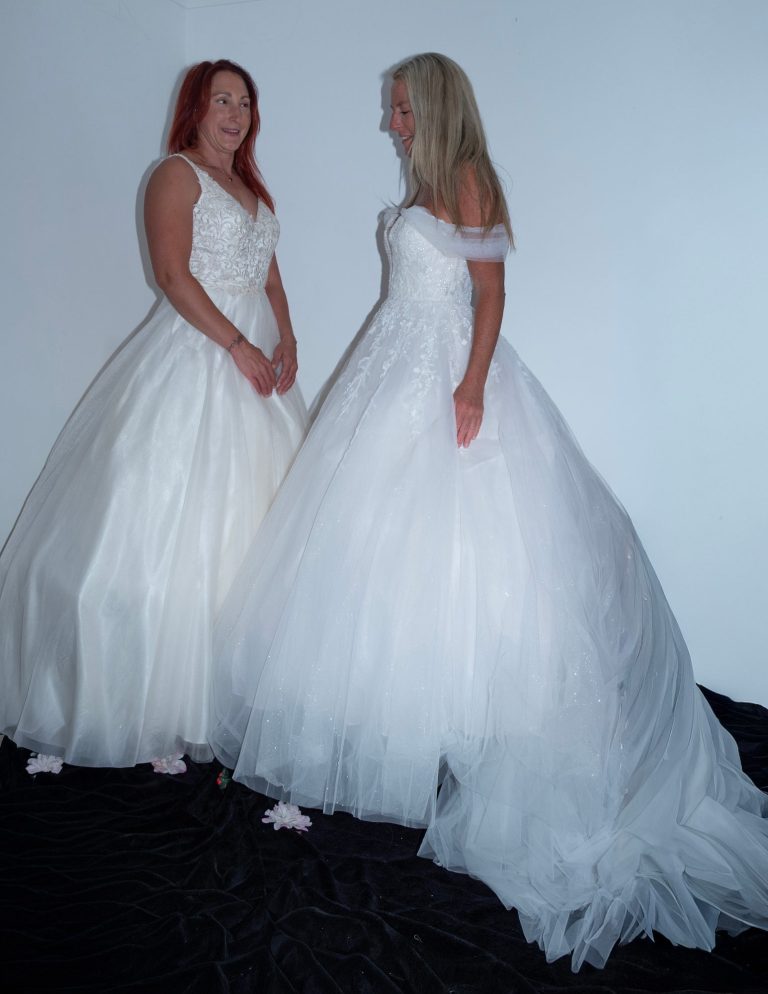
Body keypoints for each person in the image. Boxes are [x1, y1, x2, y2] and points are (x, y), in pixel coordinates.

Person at [210, 53, 768, 969]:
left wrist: (469, 388)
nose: (390, 123)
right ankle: (401, 733)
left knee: (469, 559)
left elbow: (491, 294)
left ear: (432, 107)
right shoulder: (426, 181)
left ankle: (471, 732)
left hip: (446, 379)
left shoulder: (471, 178)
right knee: (371, 557)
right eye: (390, 110)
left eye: (399, 109)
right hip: (388, 372)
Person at [0, 59, 307, 769]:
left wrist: (286, 337)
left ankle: (226, 696)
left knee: (259, 527)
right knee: (173, 525)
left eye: (244, 102)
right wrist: (235, 344)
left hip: (256, 357)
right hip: (200, 353)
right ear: (195, 108)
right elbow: (172, 275)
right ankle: (148, 701)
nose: (234, 113)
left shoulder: (250, 187)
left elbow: (269, 273)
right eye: (221, 100)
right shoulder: (175, 174)